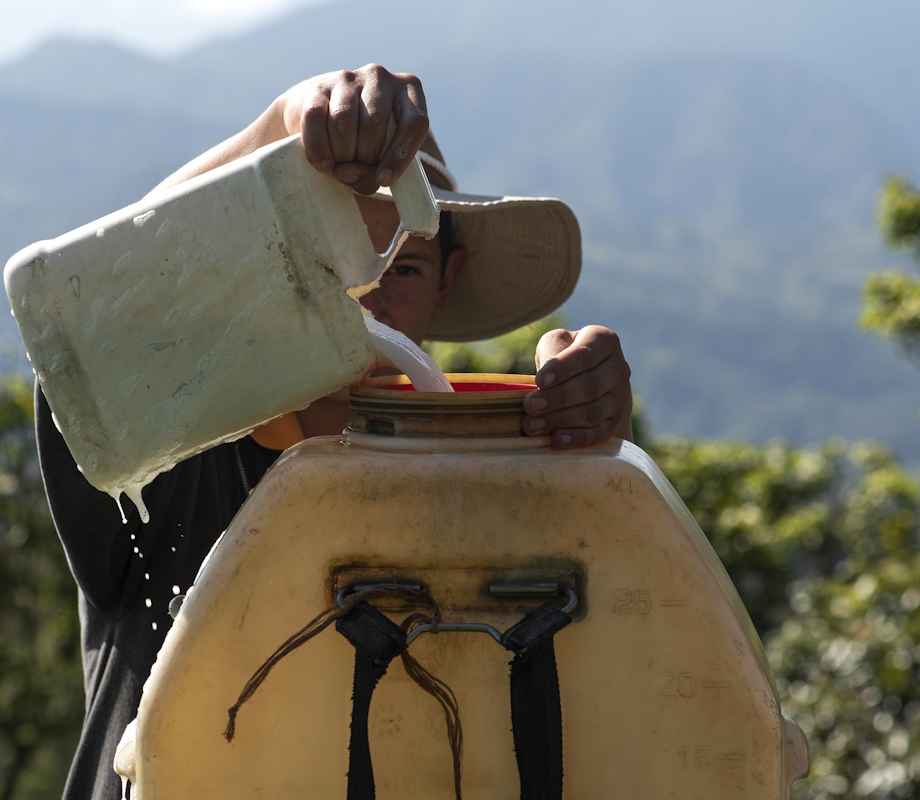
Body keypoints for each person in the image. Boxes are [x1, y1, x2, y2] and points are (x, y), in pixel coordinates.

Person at [35, 64, 632, 800]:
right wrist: (281, 124)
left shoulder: (474, 484)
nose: (365, 301)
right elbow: (93, 314)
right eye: (331, 258)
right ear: (274, 269)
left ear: (448, 284)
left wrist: (590, 445)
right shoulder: (174, 461)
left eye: (402, 267)